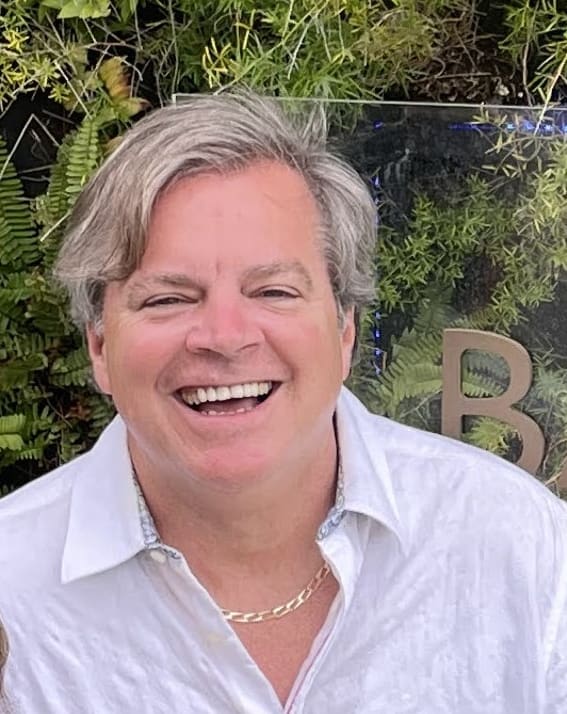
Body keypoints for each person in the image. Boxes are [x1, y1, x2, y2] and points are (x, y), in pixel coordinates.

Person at [0, 92, 566, 714]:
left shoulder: (522, 548)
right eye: (167, 299)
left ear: (345, 329)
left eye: (273, 291)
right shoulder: (11, 587)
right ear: (100, 346)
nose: (224, 336)